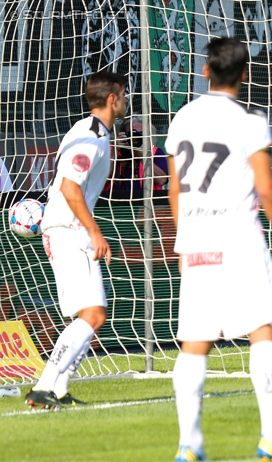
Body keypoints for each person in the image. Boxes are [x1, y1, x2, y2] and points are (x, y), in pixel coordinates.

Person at [165, 37, 272, 462]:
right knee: (265, 331)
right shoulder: (250, 119)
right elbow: (266, 187)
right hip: (237, 236)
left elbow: (175, 185)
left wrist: (183, 239)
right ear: (246, 74)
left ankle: (188, 446)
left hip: (196, 238)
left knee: (195, 343)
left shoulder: (184, 116)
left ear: (205, 71)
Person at [25, 71, 128, 410]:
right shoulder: (92, 135)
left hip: (61, 230)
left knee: (85, 315)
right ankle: (43, 386)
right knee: (95, 315)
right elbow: (70, 187)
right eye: (124, 94)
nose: (126, 100)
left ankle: (59, 389)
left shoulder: (89, 131)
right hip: (70, 230)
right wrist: (95, 231)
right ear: (112, 98)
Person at [111, 115, 168, 190]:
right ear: (124, 134)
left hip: (145, 199)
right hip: (117, 198)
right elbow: (103, 177)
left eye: (141, 133)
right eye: (132, 133)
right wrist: (115, 149)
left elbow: (162, 180)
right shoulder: (115, 151)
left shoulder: (155, 152)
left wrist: (142, 155)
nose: (136, 137)